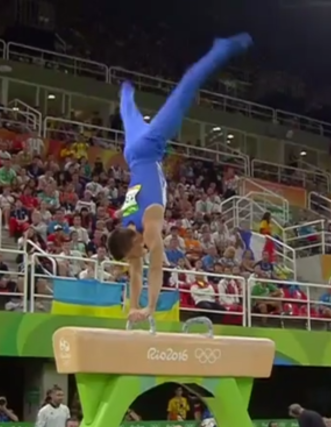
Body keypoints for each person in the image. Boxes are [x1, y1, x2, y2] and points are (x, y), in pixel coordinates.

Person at [107, 33, 253, 323]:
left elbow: (156, 269)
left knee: (187, 87)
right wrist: (132, 306)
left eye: (135, 253)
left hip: (150, 148)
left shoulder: (147, 227)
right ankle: (125, 93)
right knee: (129, 114)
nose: (140, 256)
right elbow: (136, 271)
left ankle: (220, 50)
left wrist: (149, 308)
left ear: (134, 242)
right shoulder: (127, 230)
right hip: (132, 155)